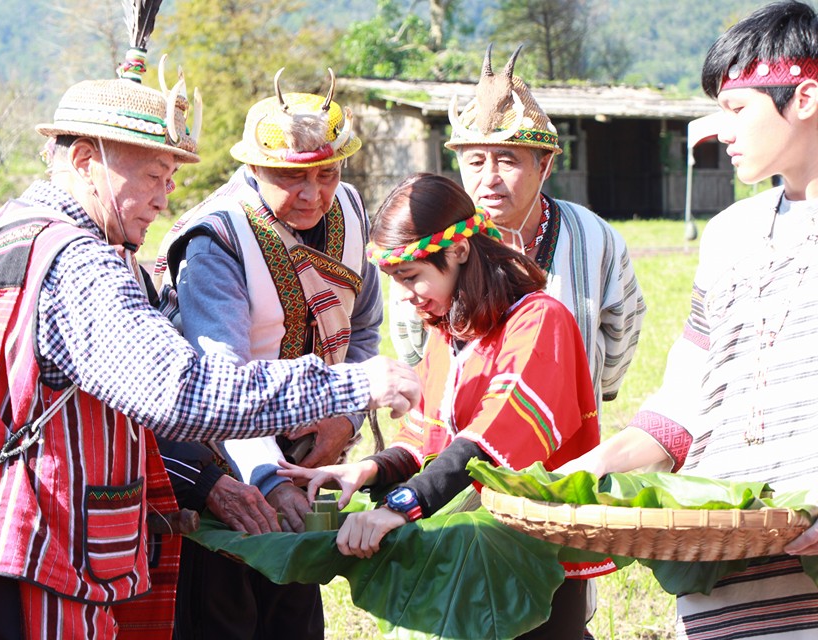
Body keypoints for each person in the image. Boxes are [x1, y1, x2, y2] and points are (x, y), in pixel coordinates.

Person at [0, 39, 420, 640]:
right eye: (153, 174)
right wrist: (356, 383)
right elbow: (183, 391)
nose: (166, 196)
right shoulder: (78, 264)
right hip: (21, 555)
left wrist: (211, 477)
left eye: (171, 175)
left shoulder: (18, 228)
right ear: (84, 162)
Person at [558, 2, 818, 637]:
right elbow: (686, 405)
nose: (718, 128)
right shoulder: (730, 235)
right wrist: (582, 471)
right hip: (724, 566)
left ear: (805, 96)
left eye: (736, 108)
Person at [281, 173, 602, 639]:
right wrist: (363, 471)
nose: (408, 300)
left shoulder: (539, 321)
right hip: (471, 545)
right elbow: (425, 441)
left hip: (534, 553)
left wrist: (401, 507)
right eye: (397, 282)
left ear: (458, 251)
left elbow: (488, 444)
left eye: (412, 279)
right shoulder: (448, 332)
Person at [151, 67, 381, 640]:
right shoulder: (215, 239)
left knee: (295, 620)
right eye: (288, 176)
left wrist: (342, 420)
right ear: (252, 167)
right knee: (224, 619)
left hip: (306, 461)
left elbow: (365, 327)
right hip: (219, 470)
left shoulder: (349, 209)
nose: (312, 194)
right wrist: (266, 479)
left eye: (326, 173)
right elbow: (220, 385)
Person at [391, 44, 646, 412]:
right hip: (457, 450)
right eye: (476, 161)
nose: (489, 178)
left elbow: (621, 329)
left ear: (544, 167)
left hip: (565, 446)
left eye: (507, 160)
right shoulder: (430, 238)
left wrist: (585, 389)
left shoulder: (595, 238)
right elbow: (413, 344)